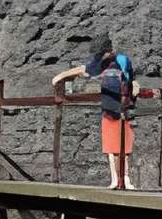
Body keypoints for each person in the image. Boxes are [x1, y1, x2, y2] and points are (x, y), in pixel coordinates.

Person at [52, 40, 147, 191]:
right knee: (111, 148)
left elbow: (131, 79)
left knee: (124, 148)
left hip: (124, 110)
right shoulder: (99, 63)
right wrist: (61, 76)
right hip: (109, 110)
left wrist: (133, 88)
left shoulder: (121, 61)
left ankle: (125, 178)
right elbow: (83, 69)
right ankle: (115, 179)